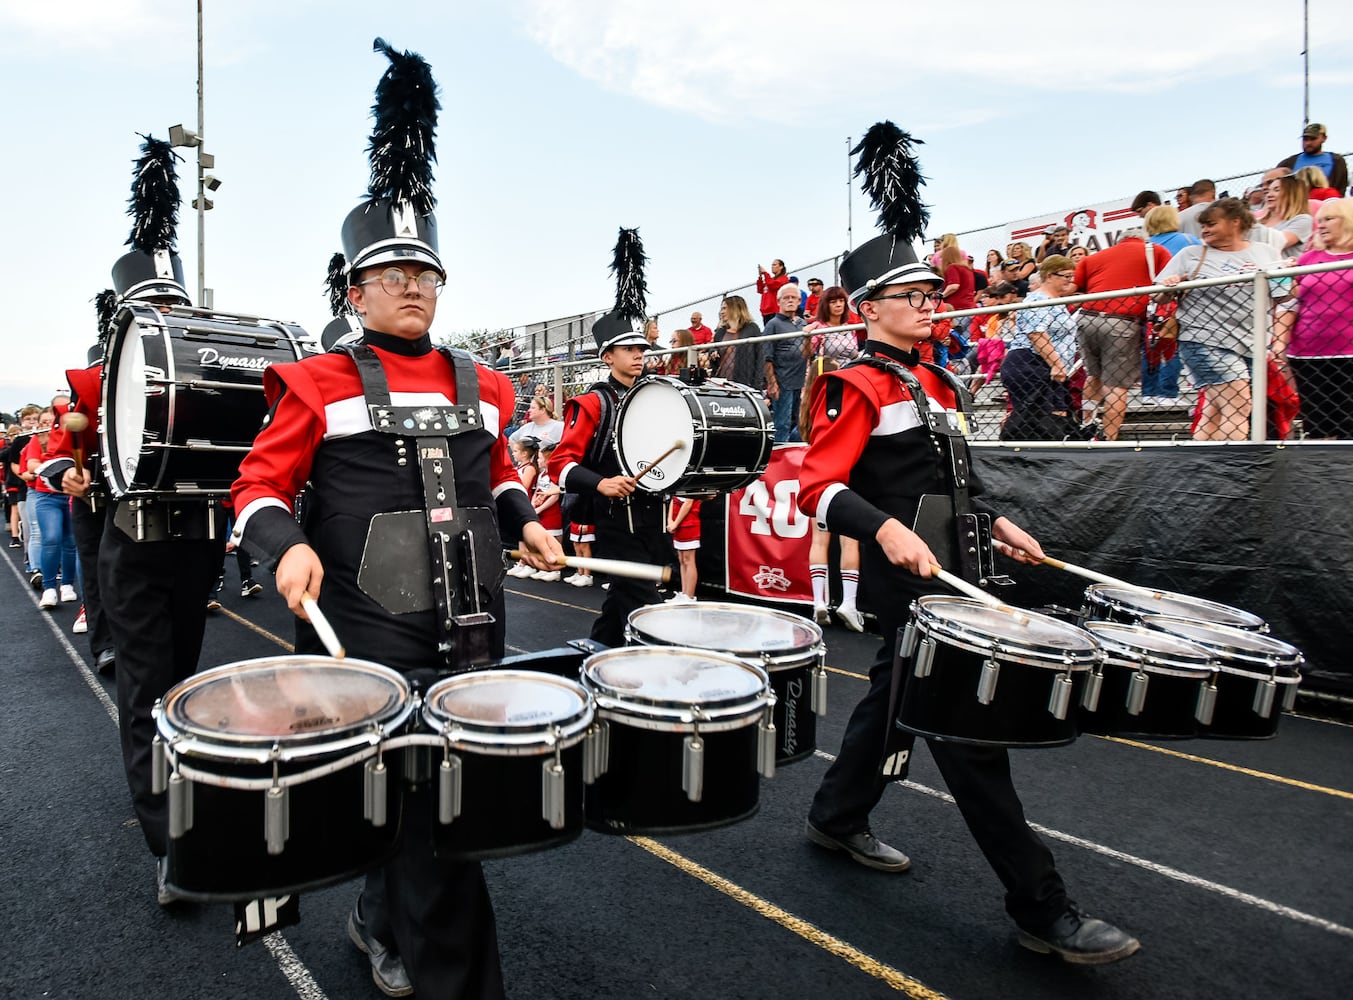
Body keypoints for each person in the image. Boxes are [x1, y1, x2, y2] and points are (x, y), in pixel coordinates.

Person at [232, 40, 563, 999]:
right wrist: (285, 546)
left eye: (427, 271)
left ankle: (379, 922)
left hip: (472, 619)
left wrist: (527, 518)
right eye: (393, 273)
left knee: (434, 807)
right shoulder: (316, 379)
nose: (415, 284)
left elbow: (495, 474)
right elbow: (256, 485)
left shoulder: (487, 382)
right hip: (365, 626)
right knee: (431, 825)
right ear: (354, 292)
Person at [799, 121, 1138, 965]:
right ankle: (1042, 909)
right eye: (909, 297)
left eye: (928, 294)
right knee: (968, 738)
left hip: (959, 571)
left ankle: (836, 818)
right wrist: (881, 532)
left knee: (889, 706)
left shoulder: (941, 382)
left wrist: (997, 520)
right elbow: (817, 488)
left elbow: (954, 482)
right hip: (908, 583)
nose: (927, 304)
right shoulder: (855, 384)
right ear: (868, 308)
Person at [550, 228, 667, 648]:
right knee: (644, 603)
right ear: (607, 357)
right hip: (616, 518)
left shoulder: (659, 397)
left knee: (622, 601)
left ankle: (595, 654)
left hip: (656, 514)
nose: (639, 354)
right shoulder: (591, 403)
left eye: (641, 347)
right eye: (628, 348)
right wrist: (601, 482)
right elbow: (559, 465)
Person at [1155, 197, 1286, 441]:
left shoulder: (1265, 252)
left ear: (1235, 222)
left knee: (1214, 410)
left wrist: (1288, 273)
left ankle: (1203, 466)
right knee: (1239, 404)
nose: (1205, 230)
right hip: (1203, 338)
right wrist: (1170, 286)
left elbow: (1285, 295)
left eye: (1211, 224)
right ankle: (1231, 468)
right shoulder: (1191, 254)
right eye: (1203, 225)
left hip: (1252, 341)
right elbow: (1159, 298)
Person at [1073, 226, 1171, 440]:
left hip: (1087, 318)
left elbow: (1075, 288)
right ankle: (1109, 439)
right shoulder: (1156, 251)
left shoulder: (1093, 258)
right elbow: (1169, 283)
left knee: (1093, 376)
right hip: (1122, 321)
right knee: (1116, 386)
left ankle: (1087, 425)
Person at [1274, 197, 1353, 438]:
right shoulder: (1309, 258)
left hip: (1349, 352)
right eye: (1319, 221)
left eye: (1329, 219)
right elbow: (1287, 302)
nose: (1321, 225)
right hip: (1308, 354)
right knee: (1317, 425)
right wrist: (1283, 277)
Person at [799, 356, 863, 631]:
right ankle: (849, 603)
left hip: (818, 478)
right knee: (850, 542)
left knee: (818, 542)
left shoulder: (808, 407)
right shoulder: (841, 401)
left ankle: (818, 602)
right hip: (845, 474)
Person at [1000, 256, 1079, 440]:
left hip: (1048, 364)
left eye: (1071, 276)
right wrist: (1057, 364)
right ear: (1050, 275)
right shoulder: (1037, 299)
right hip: (1031, 361)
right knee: (1036, 417)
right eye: (1066, 276)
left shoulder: (1056, 302)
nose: (1070, 280)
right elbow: (1036, 334)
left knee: (1057, 413)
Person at [24, 411, 78, 609]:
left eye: (51, 420)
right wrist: (58, 468)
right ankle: (48, 588)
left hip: (71, 494)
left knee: (71, 542)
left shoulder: (74, 435)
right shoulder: (38, 440)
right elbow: (31, 465)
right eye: (44, 421)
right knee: (51, 538)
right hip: (47, 496)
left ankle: (67, 585)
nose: (48, 423)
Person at [764, 282, 809, 442]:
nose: (790, 300)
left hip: (801, 381)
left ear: (799, 301)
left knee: (799, 422)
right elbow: (767, 357)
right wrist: (772, 383)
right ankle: (778, 457)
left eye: (794, 298)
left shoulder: (803, 324)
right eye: (786, 298)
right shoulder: (773, 324)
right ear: (779, 301)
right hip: (783, 382)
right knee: (782, 423)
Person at [1277, 123, 1348, 195]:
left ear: (1324, 138)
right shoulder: (1288, 163)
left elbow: (1341, 187)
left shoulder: (1337, 161)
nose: (1308, 143)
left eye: (1313, 139)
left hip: (1327, 202)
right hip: (1296, 204)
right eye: (1305, 139)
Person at [714, 295, 765, 388]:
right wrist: (712, 353)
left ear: (735, 308)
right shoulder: (720, 332)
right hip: (721, 383)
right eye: (721, 309)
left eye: (724, 308)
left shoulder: (752, 329)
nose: (721, 312)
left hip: (744, 383)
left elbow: (760, 357)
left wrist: (757, 384)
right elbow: (714, 349)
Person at [1261, 170, 1314, 255]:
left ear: (1292, 193)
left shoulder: (1302, 220)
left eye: (1276, 190)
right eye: (1268, 191)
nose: (1269, 195)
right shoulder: (1258, 222)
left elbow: (1280, 242)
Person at [802, 285, 859, 363]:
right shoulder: (819, 327)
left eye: (841, 301)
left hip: (849, 371)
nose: (838, 305)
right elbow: (807, 354)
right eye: (833, 302)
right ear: (826, 305)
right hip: (829, 372)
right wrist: (808, 338)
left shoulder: (849, 328)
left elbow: (855, 354)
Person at [665, 496, 700, 602]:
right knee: (682, 560)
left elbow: (688, 503)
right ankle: (684, 593)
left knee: (688, 560)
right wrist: (670, 520)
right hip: (678, 526)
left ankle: (689, 597)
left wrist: (675, 523)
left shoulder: (692, 485)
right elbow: (673, 499)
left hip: (689, 524)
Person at [756, 258, 790, 324]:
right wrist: (760, 277)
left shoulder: (783, 279)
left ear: (781, 267)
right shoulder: (770, 279)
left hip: (775, 311)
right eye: (772, 265)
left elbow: (772, 285)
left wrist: (766, 273)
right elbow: (760, 290)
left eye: (774, 265)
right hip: (766, 311)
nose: (772, 267)